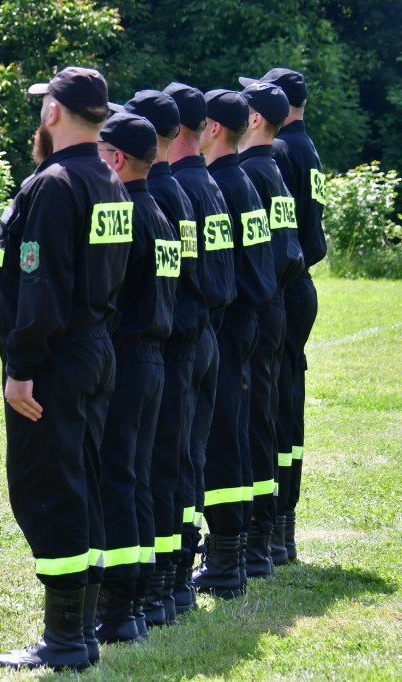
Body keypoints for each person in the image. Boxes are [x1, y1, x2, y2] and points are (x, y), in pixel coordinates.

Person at [0, 66, 130, 672]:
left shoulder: (54, 184)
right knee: (83, 487)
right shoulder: (109, 179)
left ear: (53, 112)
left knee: (51, 491)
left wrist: (21, 367)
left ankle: (66, 639)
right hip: (94, 350)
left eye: (42, 104)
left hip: (55, 359)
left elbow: (40, 283)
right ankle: (82, 629)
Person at [93, 111, 179, 638]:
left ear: (117, 158)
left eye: (100, 151)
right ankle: (149, 597)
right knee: (139, 477)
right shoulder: (161, 213)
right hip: (155, 359)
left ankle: (120, 609)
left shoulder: (125, 213)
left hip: (126, 361)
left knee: (117, 479)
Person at [123, 89, 206, 618]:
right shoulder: (181, 192)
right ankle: (172, 584)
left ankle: (160, 588)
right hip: (192, 337)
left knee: (159, 468)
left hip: (168, 346)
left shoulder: (155, 196)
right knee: (181, 461)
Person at [243, 68, 327, 563]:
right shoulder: (305, 145)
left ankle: (273, 524)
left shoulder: (279, 152)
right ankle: (281, 527)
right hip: (299, 286)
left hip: (283, 286)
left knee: (271, 406)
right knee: (286, 402)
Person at [198, 89, 276, 594]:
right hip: (251, 316)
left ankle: (228, 561)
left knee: (224, 435)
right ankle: (247, 548)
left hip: (231, 322)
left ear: (212, 129)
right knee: (240, 430)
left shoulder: (223, 185)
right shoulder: (242, 180)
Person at [163, 82, 236, 596]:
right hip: (210, 331)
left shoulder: (184, 189)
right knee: (190, 456)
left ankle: (171, 578)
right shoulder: (208, 184)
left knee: (172, 458)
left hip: (183, 340)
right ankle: (183, 571)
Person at [237, 81, 305, 576]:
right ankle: (275, 534)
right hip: (282, 298)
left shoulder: (254, 173)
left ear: (256, 119)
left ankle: (262, 535)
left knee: (255, 417)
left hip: (262, 307)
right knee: (274, 413)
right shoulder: (276, 168)